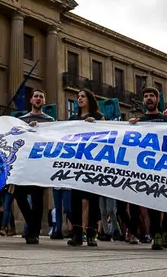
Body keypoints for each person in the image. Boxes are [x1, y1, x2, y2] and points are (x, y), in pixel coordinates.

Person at [129, 87, 167, 251]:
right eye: (145, 96)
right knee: (151, 202)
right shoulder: (139, 121)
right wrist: (130, 126)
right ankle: (157, 235)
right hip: (149, 168)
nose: (148, 98)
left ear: (157, 99)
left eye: (151, 96)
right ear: (144, 101)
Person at [13, 89, 55, 245]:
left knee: (38, 199)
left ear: (44, 102)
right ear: (31, 100)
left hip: (40, 165)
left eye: (41, 97)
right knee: (19, 195)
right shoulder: (21, 119)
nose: (38, 98)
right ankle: (32, 224)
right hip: (24, 164)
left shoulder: (50, 120)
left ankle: (33, 233)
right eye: (36, 96)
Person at [66, 89, 105, 247]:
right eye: (78, 97)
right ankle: (76, 233)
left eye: (83, 96)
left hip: (93, 162)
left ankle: (91, 233)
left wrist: (95, 125)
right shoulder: (73, 119)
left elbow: (107, 134)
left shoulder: (98, 117)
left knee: (93, 199)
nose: (79, 99)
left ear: (90, 99)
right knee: (75, 198)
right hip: (77, 162)